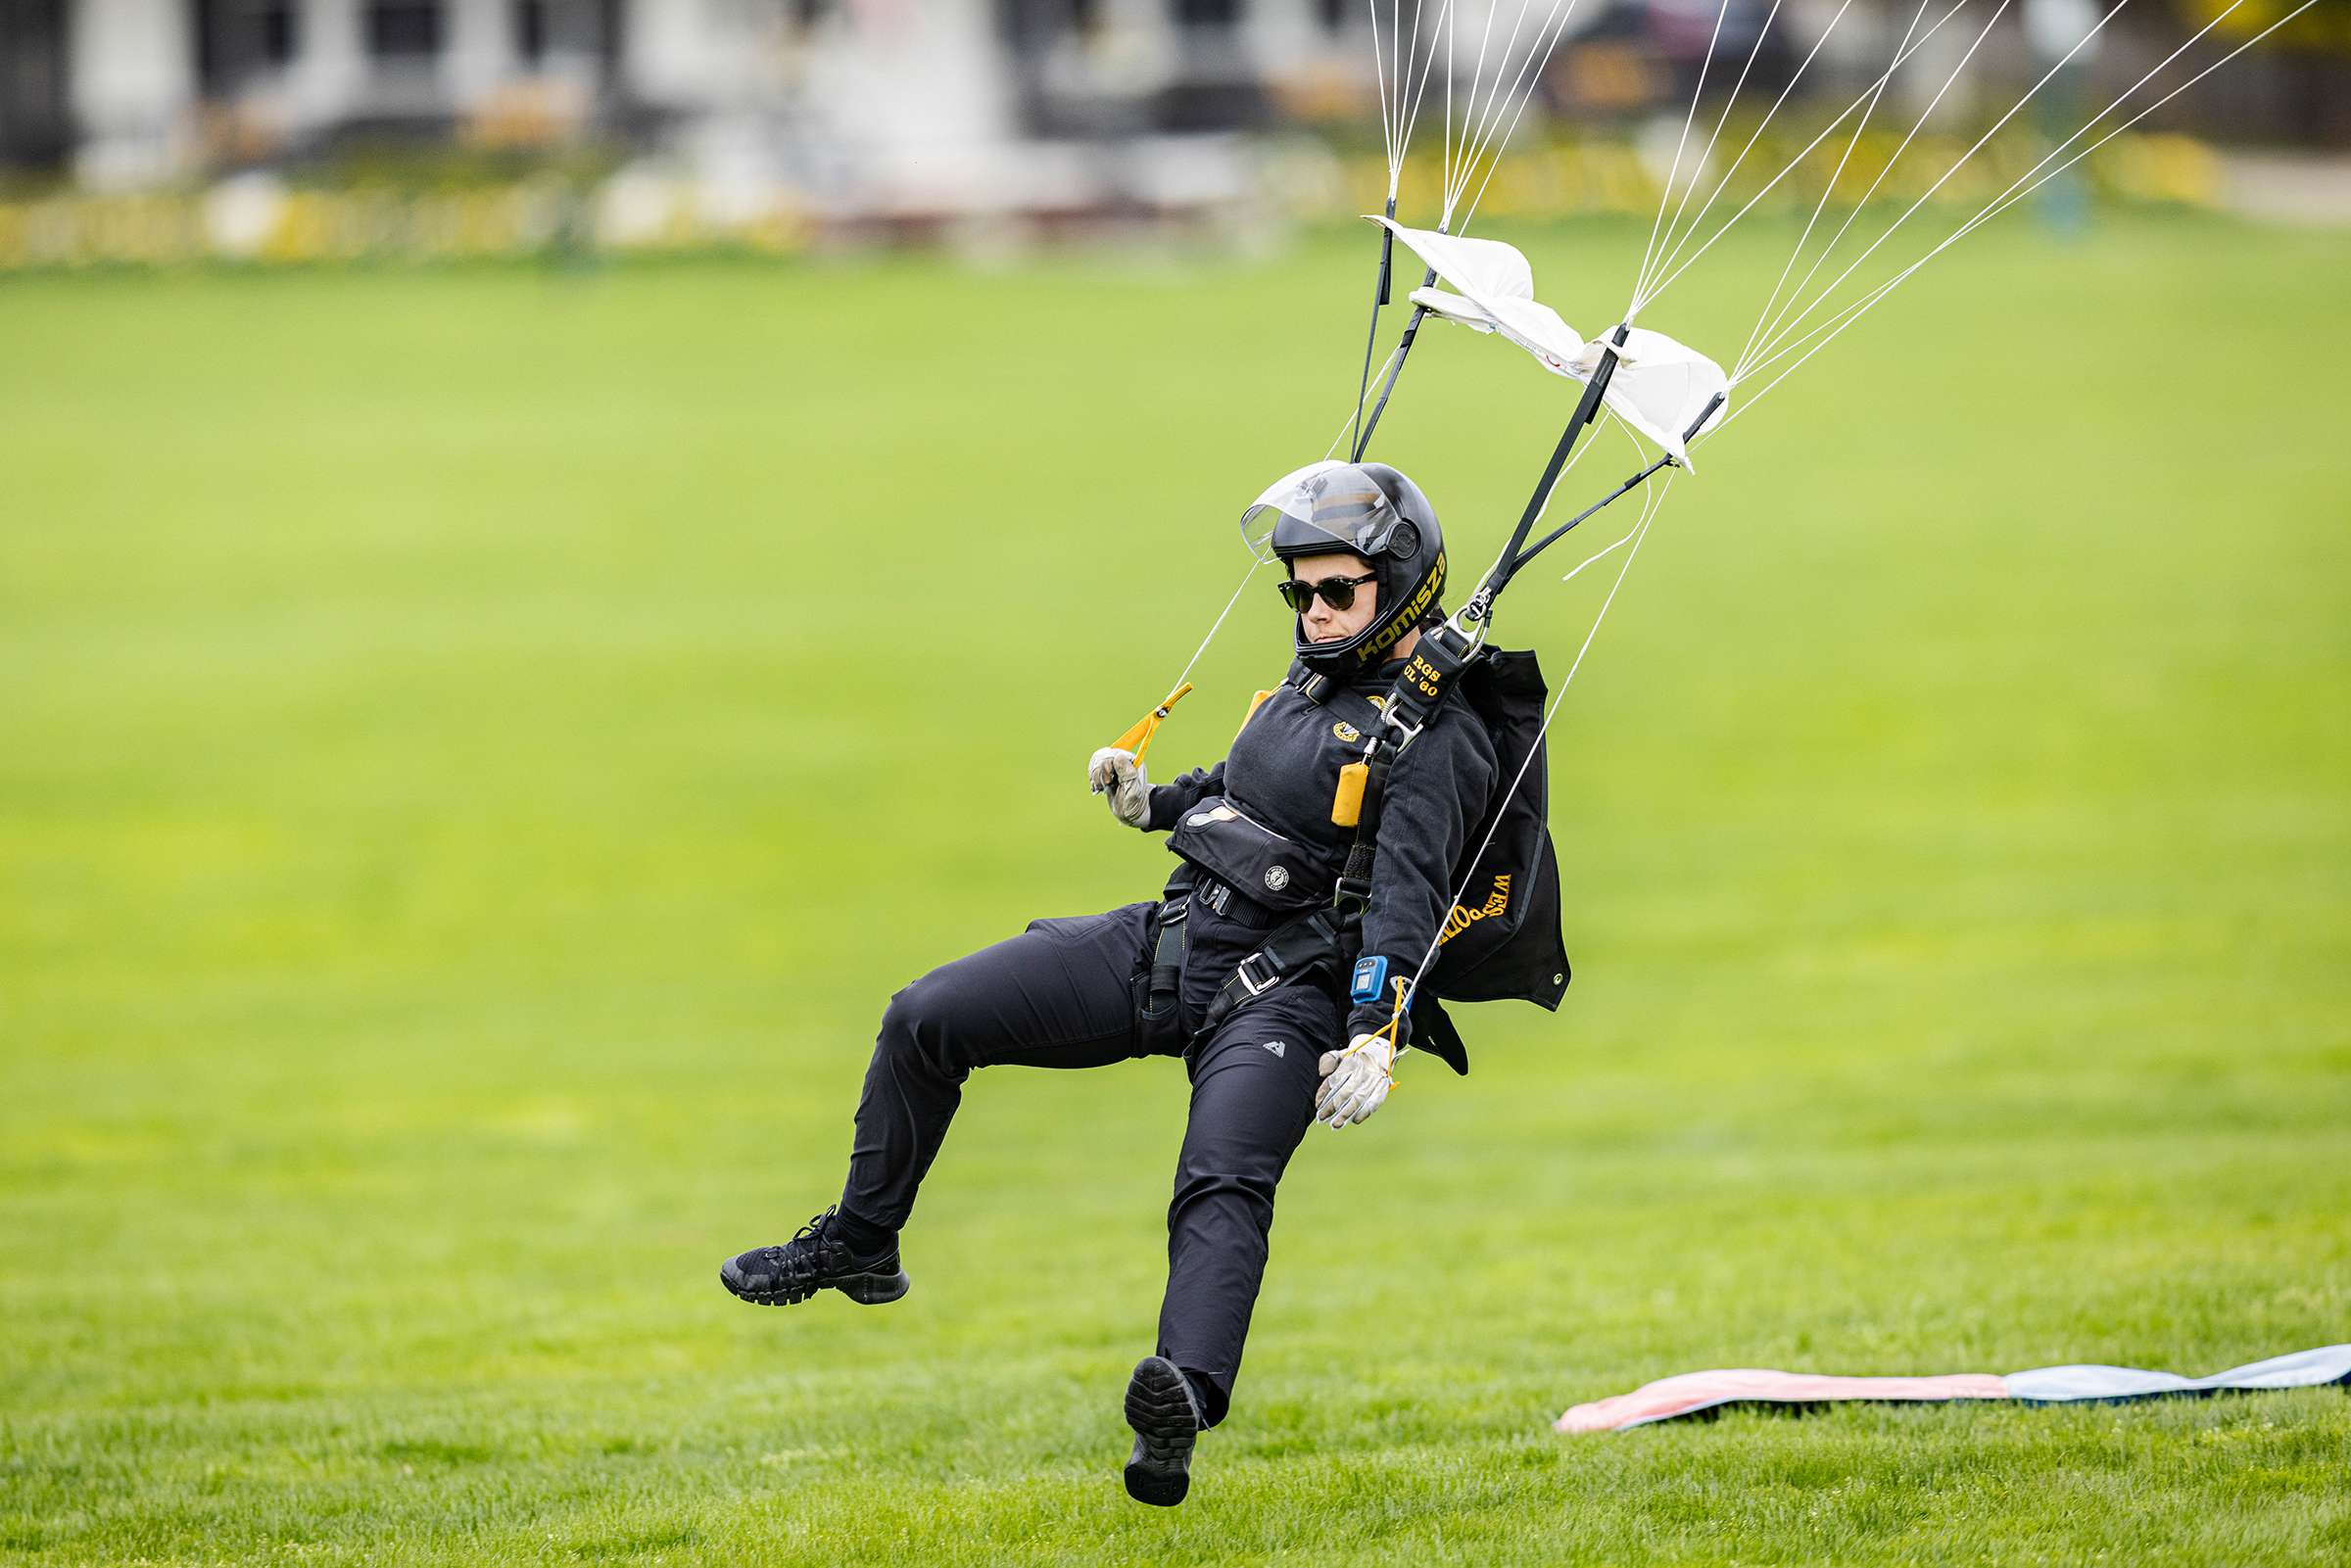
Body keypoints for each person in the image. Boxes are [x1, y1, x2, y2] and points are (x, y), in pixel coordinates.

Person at [718, 462, 1502, 1506]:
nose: (1313, 611)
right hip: (1175, 941)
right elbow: (1245, 784)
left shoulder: (1437, 738)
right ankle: (864, 1239)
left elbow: (1406, 896)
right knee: (926, 1016)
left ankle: (1178, 1401)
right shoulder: (1311, 680)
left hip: (1288, 995)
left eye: (1336, 592)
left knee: (1221, 1181)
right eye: (1299, 591)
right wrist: (1153, 802)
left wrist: (1374, 1028)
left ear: (1401, 588)